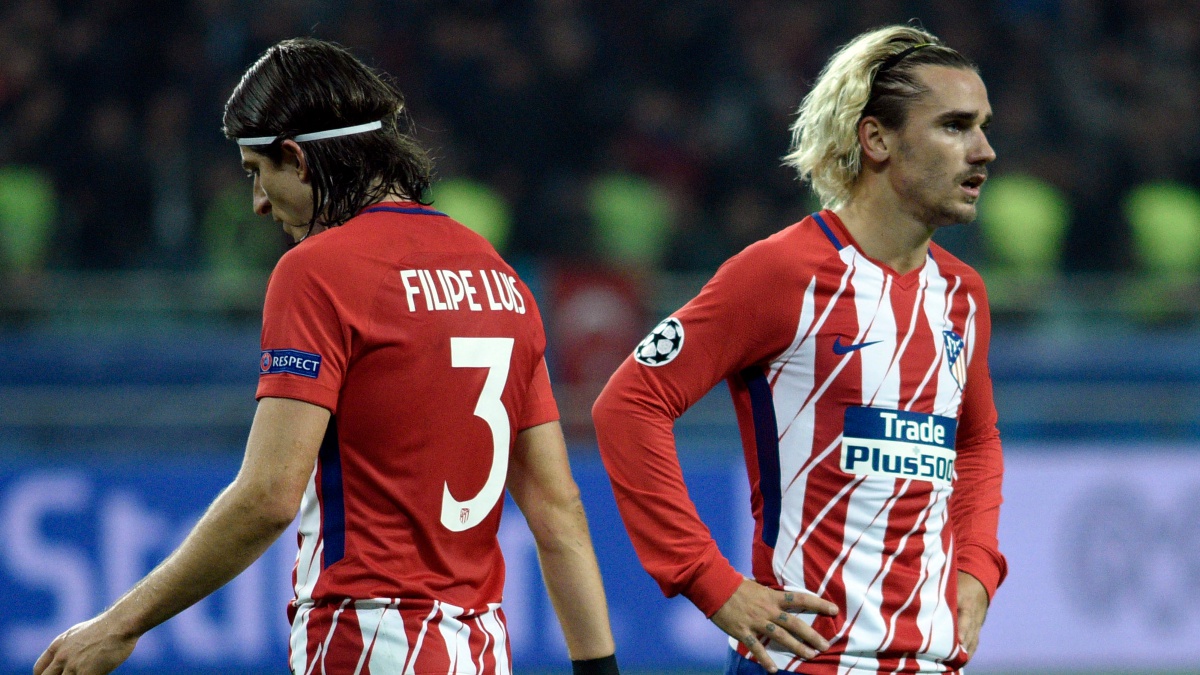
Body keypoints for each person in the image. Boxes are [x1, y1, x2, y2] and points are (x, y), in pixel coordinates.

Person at [35, 38, 619, 675]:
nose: (259, 202)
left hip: (366, 641)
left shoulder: (317, 272)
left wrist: (118, 626)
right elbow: (558, 512)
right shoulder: (503, 281)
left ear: (298, 158)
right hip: (480, 650)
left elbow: (267, 496)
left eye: (258, 173)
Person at [592, 24, 1005, 675]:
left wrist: (977, 566)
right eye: (955, 126)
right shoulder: (782, 274)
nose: (983, 150)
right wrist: (708, 577)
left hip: (932, 662)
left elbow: (976, 441)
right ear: (876, 139)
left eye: (981, 126)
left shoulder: (963, 293)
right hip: (808, 661)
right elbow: (629, 403)